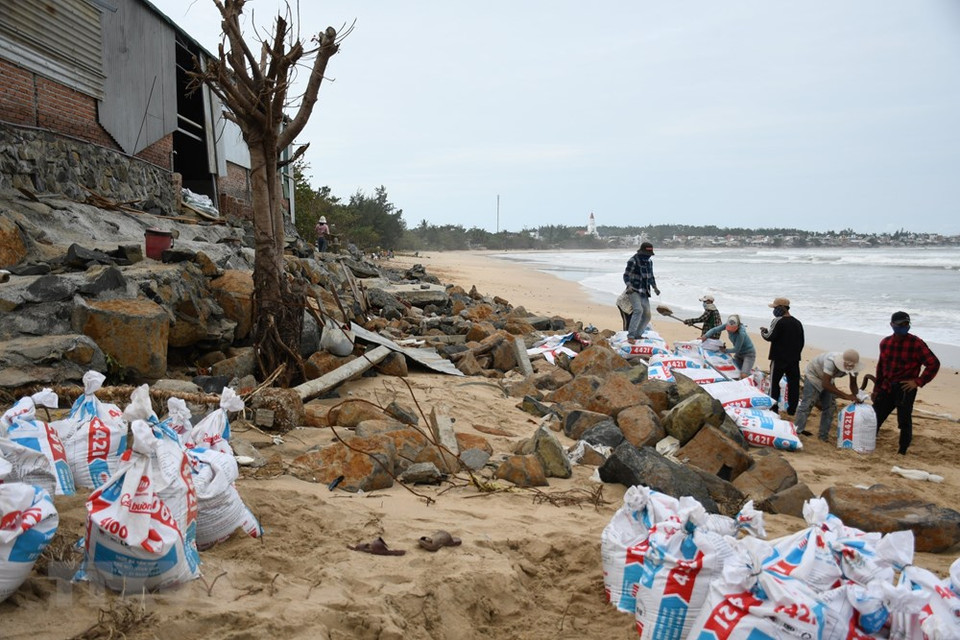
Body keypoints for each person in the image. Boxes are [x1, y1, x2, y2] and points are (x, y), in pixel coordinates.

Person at [871, 311, 940, 455]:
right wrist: (876, 388)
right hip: (887, 386)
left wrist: (918, 381)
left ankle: (902, 451)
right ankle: (869, 443)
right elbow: (881, 367)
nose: (904, 327)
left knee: (904, 421)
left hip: (905, 388)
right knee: (875, 416)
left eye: (906, 324)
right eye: (900, 324)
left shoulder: (916, 344)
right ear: (892, 325)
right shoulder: (885, 343)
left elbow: (933, 363)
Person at [794, 349, 861, 442]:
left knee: (830, 407)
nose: (849, 367)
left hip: (829, 378)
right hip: (814, 375)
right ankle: (796, 433)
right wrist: (846, 396)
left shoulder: (855, 367)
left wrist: (857, 396)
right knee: (807, 404)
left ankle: (823, 436)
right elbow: (825, 384)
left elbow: (853, 384)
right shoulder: (831, 361)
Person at [760, 297, 804, 416]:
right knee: (793, 384)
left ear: (781, 308)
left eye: (775, 308)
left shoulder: (778, 321)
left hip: (778, 358)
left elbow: (770, 337)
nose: (774, 310)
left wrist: (763, 331)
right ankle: (792, 410)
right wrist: (795, 354)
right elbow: (801, 342)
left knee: (774, 383)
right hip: (794, 359)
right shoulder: (797, 323)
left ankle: (774, 408)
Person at [622, 242, 660, 341]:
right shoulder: (633, 260)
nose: (648, 257)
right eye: (647, 254)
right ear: (642, 252)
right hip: (633, 290)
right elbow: (626, 275)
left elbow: (651, 276)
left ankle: (638, 334)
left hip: (644, 291)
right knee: (638, 310)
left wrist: (655, 287)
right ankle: (631, 336)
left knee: (647, 315)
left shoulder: (649, 262)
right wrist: (629, 286)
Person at [703, 314, 756, 379]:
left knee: (743, 376)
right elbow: (715, 330)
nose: (729, 330)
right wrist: (705, 336)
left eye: (732, 329)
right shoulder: (727, 325)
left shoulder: (741, 334)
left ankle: (753, 375)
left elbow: (736, 349)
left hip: (748, 354)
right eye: (728, 328)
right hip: (739, 355)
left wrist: (725, 350)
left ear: (737, 327)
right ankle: (748, 371)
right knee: (733, 371)